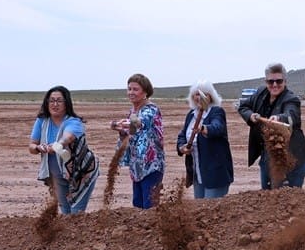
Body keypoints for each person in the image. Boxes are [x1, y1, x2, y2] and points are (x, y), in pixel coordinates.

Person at [238, 63, 305, 189]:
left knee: (287, 200)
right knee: (267, 197)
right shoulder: (261, 93)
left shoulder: (291, 99)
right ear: (265, 81)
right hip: (268, 156)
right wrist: (251, 116)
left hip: (293, 159)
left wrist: (278, 118)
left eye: (279, 81)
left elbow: (291, 115)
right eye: (270, 81)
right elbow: (243, 106)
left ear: (285, 81)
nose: (274, 85)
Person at [28, 85, 99, 214]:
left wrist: (57, 145)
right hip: (57, 175)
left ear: (66, 103)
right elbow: (32, 146)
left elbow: (68, 137)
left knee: (75, 211)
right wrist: (39, 148)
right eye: (52, 100)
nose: (55, 104)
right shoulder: (42, 121)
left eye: (59, 100)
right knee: (65, 211)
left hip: (81, 172)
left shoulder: (74, 122)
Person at [110, 73, 165, 209]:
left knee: (150, 205)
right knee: (138, 205)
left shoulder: (151, 109)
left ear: (145, 92)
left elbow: (142, 122)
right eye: (129, 89)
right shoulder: (133, 111)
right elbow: (133, 134)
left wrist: (126, 123)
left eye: (135, 89)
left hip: (152, 165)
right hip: (137, 166)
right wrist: (121, 130)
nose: (131, 92)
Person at [177, 81, 234, 199]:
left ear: (210, 97)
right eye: (197, 94)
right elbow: (182, 135)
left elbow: (218, 127)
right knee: (200, 210)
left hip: (215, 174)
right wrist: (182, 147)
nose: (199, 98)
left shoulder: (216, 111)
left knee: (211, 211)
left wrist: (203, 128)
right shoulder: (191, 115)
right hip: (197, 173)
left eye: (204, 94)